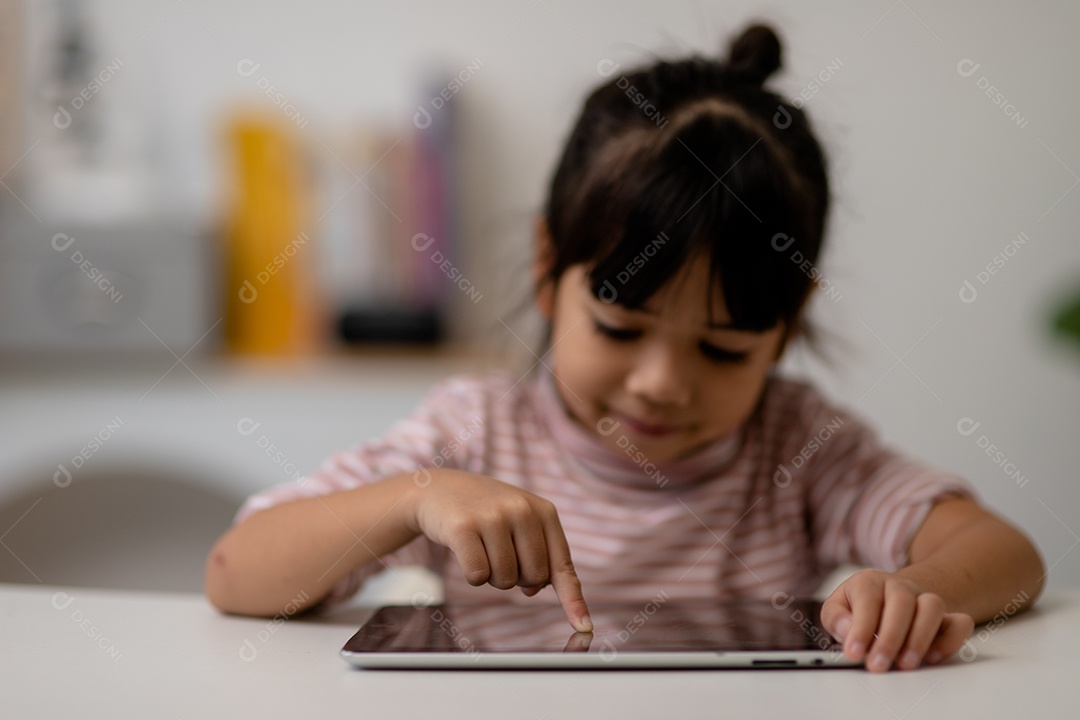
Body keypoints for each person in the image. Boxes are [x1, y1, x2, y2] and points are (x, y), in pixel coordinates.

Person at [205, 23, 1045, 673]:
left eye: (721, 350)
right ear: (547, 269)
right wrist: (412, 496)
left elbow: (1008, 555)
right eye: (620, 328)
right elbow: (235, 570)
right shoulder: (471, 434)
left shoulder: (800, 449)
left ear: (786, 324)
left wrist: (910, 593)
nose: (661, 383)